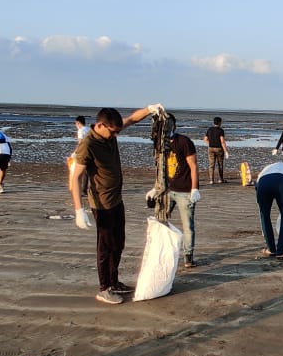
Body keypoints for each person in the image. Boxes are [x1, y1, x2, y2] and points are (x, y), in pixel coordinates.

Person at [70, 103, 165, 305]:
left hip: (116, 200)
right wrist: (79, 209)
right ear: (100, 125)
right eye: (113, 132)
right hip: (101, 204)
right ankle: (104, 288)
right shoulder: (87, 144)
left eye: (117, 132)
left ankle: (114, 282)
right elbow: (75, 177)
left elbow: (132, 119)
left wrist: (150, 109)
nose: (115, 135)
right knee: (105, 247)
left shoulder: (112, 130)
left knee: (118, 243)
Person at [164, 115, 201, 268]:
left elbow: (193, 166)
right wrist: (155, 189)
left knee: (188, 226)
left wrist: (194, 188)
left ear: (174, 126)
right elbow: (160, 167)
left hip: (185, 191)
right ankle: (164, 251)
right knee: (160, 221)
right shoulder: (161, 144)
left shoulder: (184, 142)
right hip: (167, 190)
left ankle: (188, 257)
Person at [255, 161, 283, 259]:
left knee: (264, 216)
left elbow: (257, 186)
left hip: (263, 183)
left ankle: (271, 249)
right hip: (281, 183)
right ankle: (281, 251)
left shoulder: (265, 169)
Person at [203, 116, 229, 184]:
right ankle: (220, 179)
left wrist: (210, 144)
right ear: (220, 123)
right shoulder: (220, 130)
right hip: (219, 149)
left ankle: (211, 180)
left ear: (214, 122)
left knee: (211, 164)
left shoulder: (210, 129)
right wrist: (226, 151)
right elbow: (222, 142)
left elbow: (205, 139)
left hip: (211, 148)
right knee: (220, 164)